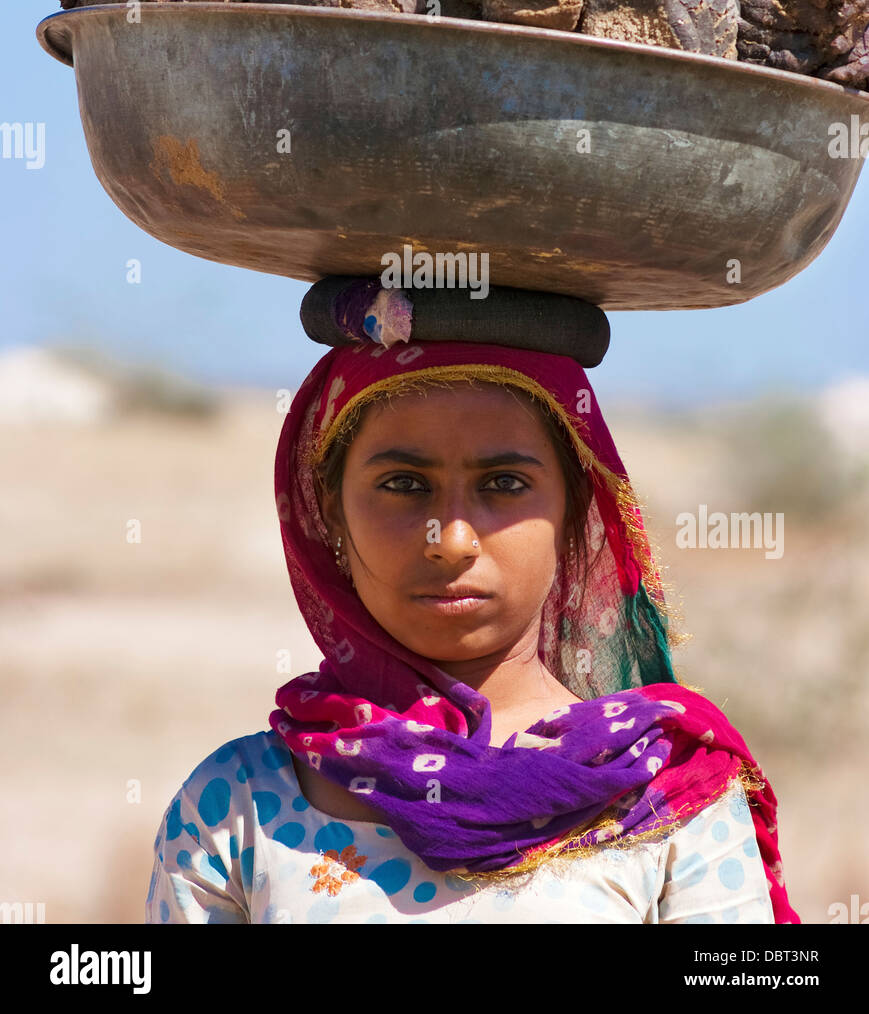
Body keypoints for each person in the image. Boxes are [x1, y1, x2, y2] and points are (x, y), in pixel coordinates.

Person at [145, 337, 799, 923]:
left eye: (505, 483)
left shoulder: (669, 794)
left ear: (572, 516)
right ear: (330, 519)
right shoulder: (236, 807)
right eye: (403, 484)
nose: (452, 540)